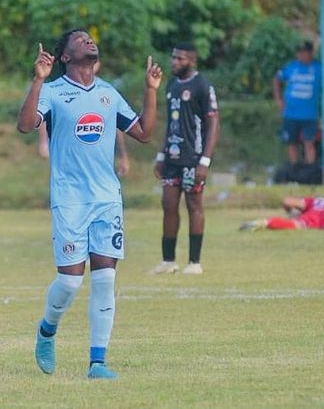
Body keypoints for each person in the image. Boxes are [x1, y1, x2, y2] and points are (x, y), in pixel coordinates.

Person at [17, 29, 161, 379]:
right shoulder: (52, 92)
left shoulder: (108, 94)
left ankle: (98, 362)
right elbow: (25, 125)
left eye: (91, 39)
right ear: (64, 56)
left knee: (104, 279)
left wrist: (150, 91)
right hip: (69, 199)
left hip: (106, 199)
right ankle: (47, 329)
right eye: (79, 39)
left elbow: (143, 133)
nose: (89, 41)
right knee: (69, 282)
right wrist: (37, 80)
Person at [151, 42, 219, 275]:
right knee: (168, 204)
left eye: (180, 58)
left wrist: (205, 160)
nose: (175, 62)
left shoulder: (202, 85)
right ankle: (168, 260)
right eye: (173, 57)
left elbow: (213, 123)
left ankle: (194, 262)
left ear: (192, 61)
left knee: (193, 205)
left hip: (193, 158)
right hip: (171, 157)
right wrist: (161, 154)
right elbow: (171, 123)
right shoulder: (171, 84)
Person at [37, 60, 131, 176]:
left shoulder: (107, 90)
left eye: (93, 61)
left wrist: (123, 156)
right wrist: (43, 142)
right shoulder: (60, 88)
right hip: (69, 154)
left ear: (98, 65)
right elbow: (46, 114)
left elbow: (116, 124)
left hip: (99, 157)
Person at [273, 41, 322, 165]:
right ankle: (293, 169)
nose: (301, 55)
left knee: (309, 142)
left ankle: (309, 169)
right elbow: (277, 79)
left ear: (310, 53)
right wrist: (278, 99)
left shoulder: (318, 68)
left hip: (309, 114)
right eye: (299, 52)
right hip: (290, 113)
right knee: (291, 142)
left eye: (304, 52)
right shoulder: (291, 67)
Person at [239, 195, 324, 231]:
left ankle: (267, 222)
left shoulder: (314, 201)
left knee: (295, 223)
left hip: (311, 215)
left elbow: (287, 201)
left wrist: (293, 212)